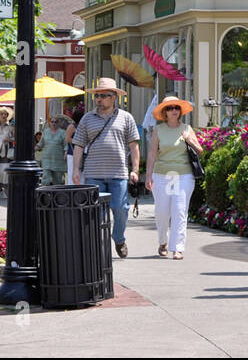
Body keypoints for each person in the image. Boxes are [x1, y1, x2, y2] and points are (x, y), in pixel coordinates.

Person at [72, 77, 141, 258]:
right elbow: (78, 145)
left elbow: (134, 145)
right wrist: (75, 170)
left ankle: (118, 238)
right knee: (96, 214)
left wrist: (135, 169)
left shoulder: (126, 118)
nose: (99, 99)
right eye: (97, 96)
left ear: (114, 97)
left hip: (118, 173)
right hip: (94, 174)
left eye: (104, 95)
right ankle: (99, 249)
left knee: (120, 209)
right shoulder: (87, 119)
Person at [145, 95, 203, 260]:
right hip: (162, 174)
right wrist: (148, 175)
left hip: (183, 175)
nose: (174, 111)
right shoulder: (159, 130)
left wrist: (190, 140)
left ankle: (177, 248)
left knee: (179, 211)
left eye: (176, 108)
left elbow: (200, 150)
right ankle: (163, 241)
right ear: (164, 112)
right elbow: (152, 154)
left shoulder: (186, 128)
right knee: (162, 212)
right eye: (170, 108)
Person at [38, 114, 70, 186]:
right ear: (49, 123)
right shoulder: (45, 132)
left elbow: (66, 144)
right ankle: (44, 194)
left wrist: (66, 152)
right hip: (47, 159)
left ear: (58, 123)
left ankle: (57, 195)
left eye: (55, 122)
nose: (54, 123)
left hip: (58, 159)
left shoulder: (62, 132)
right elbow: (41, 143)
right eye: (52, 122)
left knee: (58, 180)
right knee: (46, 178)